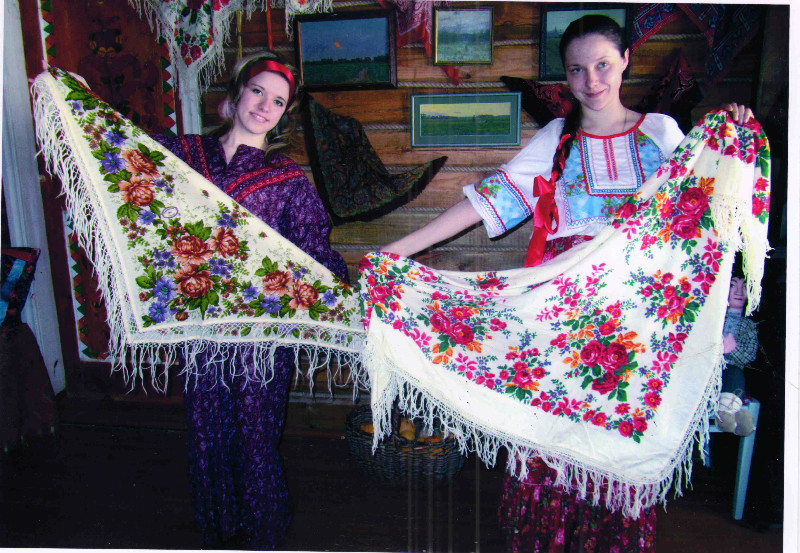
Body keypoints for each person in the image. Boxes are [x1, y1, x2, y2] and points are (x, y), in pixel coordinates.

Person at [382, 14, 752, 553]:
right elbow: (486, 202)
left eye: (602, 65)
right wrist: (398, 251)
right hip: (558, 312)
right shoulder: (556, 139)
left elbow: (710, 206)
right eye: (577, 70)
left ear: (625, 61)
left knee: (614, 437)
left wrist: (733, 134)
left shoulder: (662, 133)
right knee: (547, 434)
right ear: (566, 76)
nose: (592, 80)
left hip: (632, 317)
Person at [154, 51, 347, 549]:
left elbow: (315, 251)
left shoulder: (286, 180)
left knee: (255, 434)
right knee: (206, 432)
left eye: (278, 101)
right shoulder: (184, 155)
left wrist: (349, 293)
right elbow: (123, 157)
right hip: (200, 324)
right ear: (236, 93)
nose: (265, 106)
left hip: (261, 334)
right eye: (258, 91)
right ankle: (218, 529)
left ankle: (263, 534)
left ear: (284, 115)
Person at [717, 275, 758, 436]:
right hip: (708, 373)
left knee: (735, 375)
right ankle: (731, 413)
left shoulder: (749, 325)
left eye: (744, 287)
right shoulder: (714, 320)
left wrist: (732, 349)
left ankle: (728, 414)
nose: (739, 291)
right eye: (733, 285)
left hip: (731, 374)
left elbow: (750, 355)